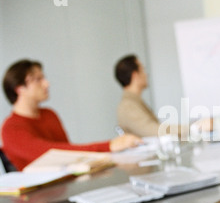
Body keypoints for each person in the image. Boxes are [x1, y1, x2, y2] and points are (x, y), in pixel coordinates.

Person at [1, 59, 142, 171]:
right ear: (19, 89)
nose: (47, 84)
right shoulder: (11, 129)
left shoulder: (49, 115)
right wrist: (109, 146)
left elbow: (69, 156)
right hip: (35, 200)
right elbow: (53, 154)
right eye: (38, 79)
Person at [115, 54, 212, 138]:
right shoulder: (128, 106)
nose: (146, 74)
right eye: (143, 70)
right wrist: (194, 127)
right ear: (135, 75)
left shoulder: (134, 102)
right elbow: (155, 131)